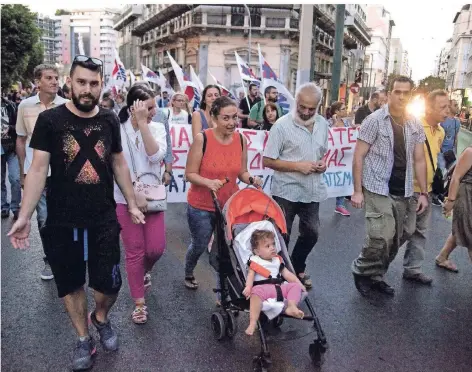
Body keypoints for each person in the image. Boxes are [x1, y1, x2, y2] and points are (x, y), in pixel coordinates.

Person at [8, 55, 145, 371]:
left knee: (109, 285)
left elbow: (119, 163)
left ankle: (100, 317)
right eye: (81, 82)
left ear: (101, 85)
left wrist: (133, 203)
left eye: (94, 84)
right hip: (62, 218)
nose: (87, 89)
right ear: (69, 82)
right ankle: (83, 338)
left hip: (103, 217)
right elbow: (38, 168)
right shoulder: (50, 121)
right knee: (70, 285)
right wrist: (25, 215)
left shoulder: (110, 119)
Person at [350, 75, 429, 297]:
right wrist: (357, 190)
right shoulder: (373, 120)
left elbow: (420, 159)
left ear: (410, 95)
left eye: (406, 92)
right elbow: (358, 156)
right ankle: (362, 269)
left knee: (403, 234)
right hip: (377, 186)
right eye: (397, 92)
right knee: (382, 234)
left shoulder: (414, 123)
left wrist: (423, 192)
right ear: (389, 93)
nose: (401, 96)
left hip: (404, 189)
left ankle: (376, 275)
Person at [184, 96, 262, 290]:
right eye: (226, 118)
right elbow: (189, 174)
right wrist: (208, 183)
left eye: (235, 117)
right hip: (201, 206)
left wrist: (252, 179)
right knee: (200, 245)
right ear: (214, 118)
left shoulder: (242, 140)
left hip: (229, 206)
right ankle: (189, 270)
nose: (232, 123)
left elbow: (242, 172)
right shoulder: (202, 139)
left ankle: (223, 292)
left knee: (225, 250)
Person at [263, 82, 329, 289]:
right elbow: (268, 160)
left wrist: (321, 165)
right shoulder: (281, 126)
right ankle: (279, 274)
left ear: (318, 106)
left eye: (311, 108)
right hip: (286, 191)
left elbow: (321, 154)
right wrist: (297, 166)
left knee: (312, 233)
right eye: (302, 106)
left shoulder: (323, 124)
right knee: (282, 236)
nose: (306, 112)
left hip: (312, 191)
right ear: (296, 102)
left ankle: (297, 265)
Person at [116, 84, 167, 324]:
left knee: (155, 249)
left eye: (155, 105)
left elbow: (156, 156)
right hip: (124, 198)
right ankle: (139, 303)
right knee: (134, 251)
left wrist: (144, 124)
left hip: (154, 197)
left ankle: (144, 272)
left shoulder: (156, 127)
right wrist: (133, 195)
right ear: (133, 108)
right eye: (149, 107)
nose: (154, 110)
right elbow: (115, 165)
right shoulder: (117, 129)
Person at [15, 63, 68, 280]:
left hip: (63, 174)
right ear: (38, 82)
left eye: (56, 77)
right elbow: (20, 140)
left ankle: (65, 256)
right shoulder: (25, 106)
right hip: (36, 174)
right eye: (49, 78)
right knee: (44, 218)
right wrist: (22, 172)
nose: (55, 81)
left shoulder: (67, 105)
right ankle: (50, 259)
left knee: (64, 216)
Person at [400, 90, 448, 285]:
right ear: (429, 108)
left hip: (426, 191)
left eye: (448, 106)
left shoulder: (441, 131)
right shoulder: (414, 125)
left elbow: (433, 159)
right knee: (404, 232)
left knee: (421, 231)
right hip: (409, 189)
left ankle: (413, 269)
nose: (447, 111)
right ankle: (375, 266)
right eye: (442, 107)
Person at [242, 229, 306, 336]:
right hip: (263, 289)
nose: (272, 248)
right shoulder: (255, 260)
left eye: (273, 244)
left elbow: (288, 275)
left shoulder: (277, 260)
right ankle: (253, 322)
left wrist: (299, 284)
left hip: (279, 288)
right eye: (267, 246)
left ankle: (291, 306)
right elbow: (250, 276)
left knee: (294, 286)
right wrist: (248, 287)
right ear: (257, 252)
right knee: (255, 293)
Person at [435, 146, 472, 271]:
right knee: (469, 231)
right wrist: (450, 201)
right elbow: (456, 177)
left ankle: (442, 257)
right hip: (466, 196)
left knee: (462, 228)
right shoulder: (470, 152)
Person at [435, 99, 461, 205]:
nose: (457, 107)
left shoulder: (457, 122)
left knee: (453, 174)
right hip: (441, 152)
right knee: (441, 173)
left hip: (450, 153)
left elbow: (456, 137)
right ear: (449, 106)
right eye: (455, 105)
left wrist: (455, 151)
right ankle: (435, 195)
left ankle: (443, 194)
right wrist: (438, 150)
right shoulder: (443, 121)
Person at [328, 101, 352, 217]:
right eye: (343, 109)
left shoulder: (347, 122)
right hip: (331, 158)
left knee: (342, 179)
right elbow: (327, 135)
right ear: (336, 111)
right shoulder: (329, 122)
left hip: (343, 157)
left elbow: (350, 134)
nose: (345, 110)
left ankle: (340, 204)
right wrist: (335, 122)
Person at [1, 95, 20, 219]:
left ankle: (15, 207)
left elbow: (19, 126)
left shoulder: (10, 105)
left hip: (11, 148)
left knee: (15, 178)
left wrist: (10, 128)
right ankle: (4, 207)